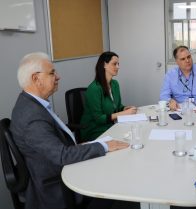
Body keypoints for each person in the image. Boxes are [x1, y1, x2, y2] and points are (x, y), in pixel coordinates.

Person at [10, 52, 130, 209]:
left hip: (58, 167)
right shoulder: (33, 117)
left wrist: (88, 145)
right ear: (36, 79)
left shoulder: (31, 104)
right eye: (52, 73)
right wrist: (105, 146)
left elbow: (55, 147)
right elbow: (62, 156)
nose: (58, 76)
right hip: (55, 184)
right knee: (115, 182)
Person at [80, 51, 137, 141]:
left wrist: (124, 108)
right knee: (125, 139)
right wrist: (123, 114)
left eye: (118, 64)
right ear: (104, 65)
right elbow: (99, 119)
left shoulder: (115, 84)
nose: (118, 67)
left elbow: (117, 106)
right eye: (114, 64)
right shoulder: (94, 88)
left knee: (132, 134)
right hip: (95, 130)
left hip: (111, 125)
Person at [160, 46, 196, 114]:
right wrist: (170, 101)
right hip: (178, 110)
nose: (187, 61)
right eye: (183, 59)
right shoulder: (170, 75)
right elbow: (163, 95)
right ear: (177, 62)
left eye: (189, 57)